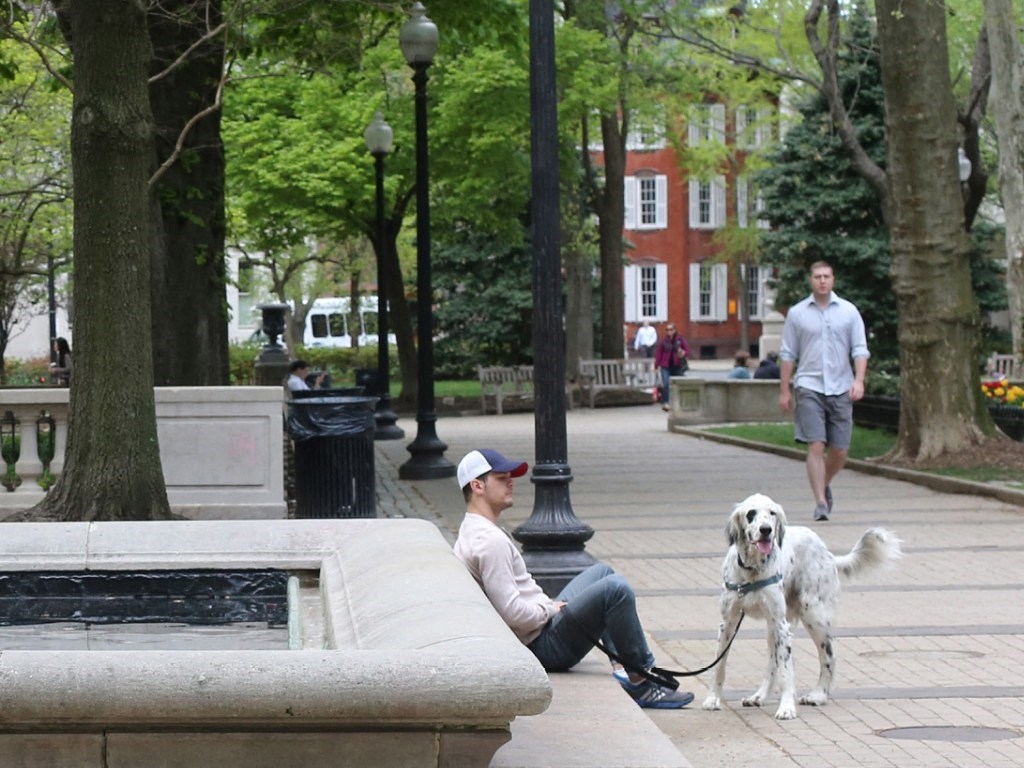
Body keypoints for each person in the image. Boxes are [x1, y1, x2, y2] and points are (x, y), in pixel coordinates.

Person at [453, 449, 694, 710]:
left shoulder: (474, 528)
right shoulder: (490, 543)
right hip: (542, 645)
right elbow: (515, 616)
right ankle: (642, 678)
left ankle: (623, 665)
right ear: (477, 486)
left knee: (602, 573)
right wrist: (549, 609)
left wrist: (549, 608)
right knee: (616, 590)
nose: (511, 482)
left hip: (541, 627)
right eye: (501, 478)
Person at [779, 261, 869, 521]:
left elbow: (860, 349)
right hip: (809, 385)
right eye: (817, 276)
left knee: (840, 449)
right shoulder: (797, 314)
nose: (822, 281)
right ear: (810, 280)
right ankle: (820, 502)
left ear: (833, 279)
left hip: (842, 386)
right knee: (816, 444)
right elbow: (787, 354)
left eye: (826, 276)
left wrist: (859, 380)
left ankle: (823, 482)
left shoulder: (849, 312)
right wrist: (784, 390)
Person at [654, 323, 690, 411]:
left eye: (671, 330)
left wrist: (683, 352)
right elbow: (659, 354)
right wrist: (656, 365)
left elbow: (687, 350)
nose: (669, 332)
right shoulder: (663, 341)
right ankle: (666, 402)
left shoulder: (680, 340)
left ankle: (682, 402)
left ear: (674, 330)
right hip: (665, 366)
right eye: (667, 330)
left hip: (677, 365)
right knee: (666, 384)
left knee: (681, 383)